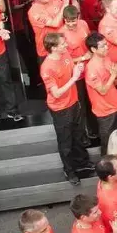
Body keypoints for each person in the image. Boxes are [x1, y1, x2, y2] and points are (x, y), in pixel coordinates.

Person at [41, 33, 93, 184]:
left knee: (79, 134)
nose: (66, 45)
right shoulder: (47, 68)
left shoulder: (65, 55)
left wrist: (79, 65)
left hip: (74, 103)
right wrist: (74, 78)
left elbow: (72, 68)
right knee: (66, 141)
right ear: (53, 48)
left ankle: (83, 163)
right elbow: (56, 93)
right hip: (61, 109)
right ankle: (69, 171)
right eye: (63, 44)